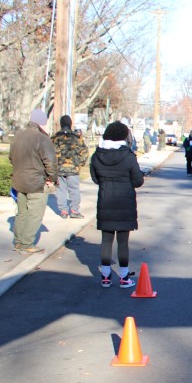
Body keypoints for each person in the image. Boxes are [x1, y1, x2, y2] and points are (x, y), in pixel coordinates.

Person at [90, 121, 145, 288]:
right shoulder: (128, 156)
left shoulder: (97, 156)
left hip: (105, 200)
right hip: (125, 202)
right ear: (123, 136)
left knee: (106, 241)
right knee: (123, 242)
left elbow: (95, 179)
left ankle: (105, 277)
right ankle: (124, 277)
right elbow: (138, 181)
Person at [9, 109, 57, 254]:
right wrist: (52, 179)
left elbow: (11, 157)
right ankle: (27, 243)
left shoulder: (18, 136)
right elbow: (51, 162)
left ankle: (18, 242)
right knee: (35, 214)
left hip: (19, 181)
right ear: (42, 123)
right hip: (36, 182)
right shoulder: (43, 139)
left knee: (21, 213)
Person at [52, 115, 88, 219]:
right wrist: (79, 165)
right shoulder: (77, 137)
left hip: (59, 169)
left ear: (61, 124)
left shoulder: (55, 138)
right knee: (74, 189)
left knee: (61, 190)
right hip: (73, 169)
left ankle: (63, 211)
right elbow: (84, 153)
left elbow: (49, 153)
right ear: (71, 124)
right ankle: (74, 210)